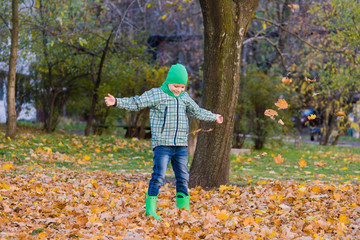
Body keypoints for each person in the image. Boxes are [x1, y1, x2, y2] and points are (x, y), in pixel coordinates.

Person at [104, 64, 223, 220]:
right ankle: (151, 210)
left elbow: (197, 111)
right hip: (163, 145)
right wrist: (117, 102)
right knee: (158, 176)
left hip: (180, 145)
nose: (178, 89)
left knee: (183, 177)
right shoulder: (157, 94)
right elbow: (137, 102)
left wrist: (213, 117)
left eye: (182, 86)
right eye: (175, 86)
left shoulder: (184, 98)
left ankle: (183, 210)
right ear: (168, 81)